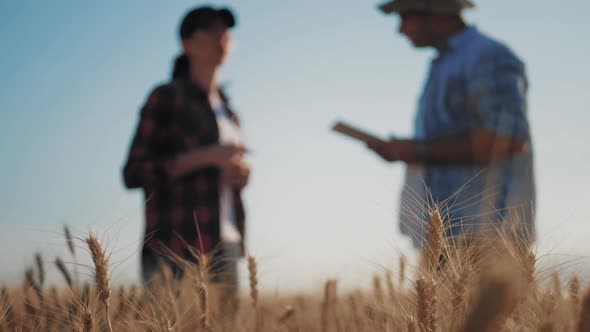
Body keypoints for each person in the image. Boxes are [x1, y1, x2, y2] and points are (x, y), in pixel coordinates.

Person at [369, 0, 535, 248]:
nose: (401, 30)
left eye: (405, 17)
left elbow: (508, 139)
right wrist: (413, 151)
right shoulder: (444, 64)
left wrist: (419, 150)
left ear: (436, 12)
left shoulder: (487, 55)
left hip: (486, 230)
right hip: (445, 232)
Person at [122, 5, 250, 300]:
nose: (221, 37)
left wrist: (241, 176)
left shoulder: (230, 113)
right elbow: (133, 172)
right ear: (187, 43)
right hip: (175, 245)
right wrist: (206, 157)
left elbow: (226, 178)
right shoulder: (166, 97)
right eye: (210, 30)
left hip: (225, 244)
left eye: (225, 31)